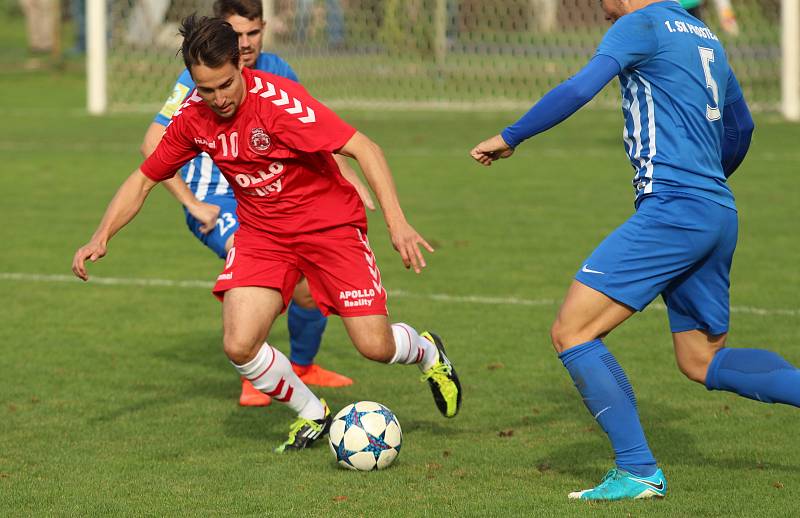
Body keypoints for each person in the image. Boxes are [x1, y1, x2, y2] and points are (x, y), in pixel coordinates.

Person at [73, 14, 462, 452]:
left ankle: (428, 352)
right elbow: (144, 178)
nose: (218, 98)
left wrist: (398, 223)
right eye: (206, 89)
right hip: (262, 234)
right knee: (239, 344)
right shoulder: (193, 117)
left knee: (375, 345)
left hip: (329, 227)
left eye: (225, 85)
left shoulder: (280, 104)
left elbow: (363, 147)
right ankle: (313, 414)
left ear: (240, 64)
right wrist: (101, 235)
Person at [471, 0, 798, 501]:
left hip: (675, 210)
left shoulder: (639, 24)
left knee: (572, 331)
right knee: (701, 359)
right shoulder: (704, 34)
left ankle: (638, 470)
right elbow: (742, 129)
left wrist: (512, 135)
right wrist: (706, 182)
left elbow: (581, 87)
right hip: (717, 211)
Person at [140, 0, 367, 407]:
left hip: (269, 200)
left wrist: (351, 182)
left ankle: (300, 366)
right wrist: (191, 203)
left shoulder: (280, 71)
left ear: (264, 28)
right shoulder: (198, 77)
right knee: (252, 267)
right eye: (236, 34)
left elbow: (314, 139)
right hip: (215, 203)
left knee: (308, 289)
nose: (245, 44)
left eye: (253, 33)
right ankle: (253, 369)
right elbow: (151, 144)